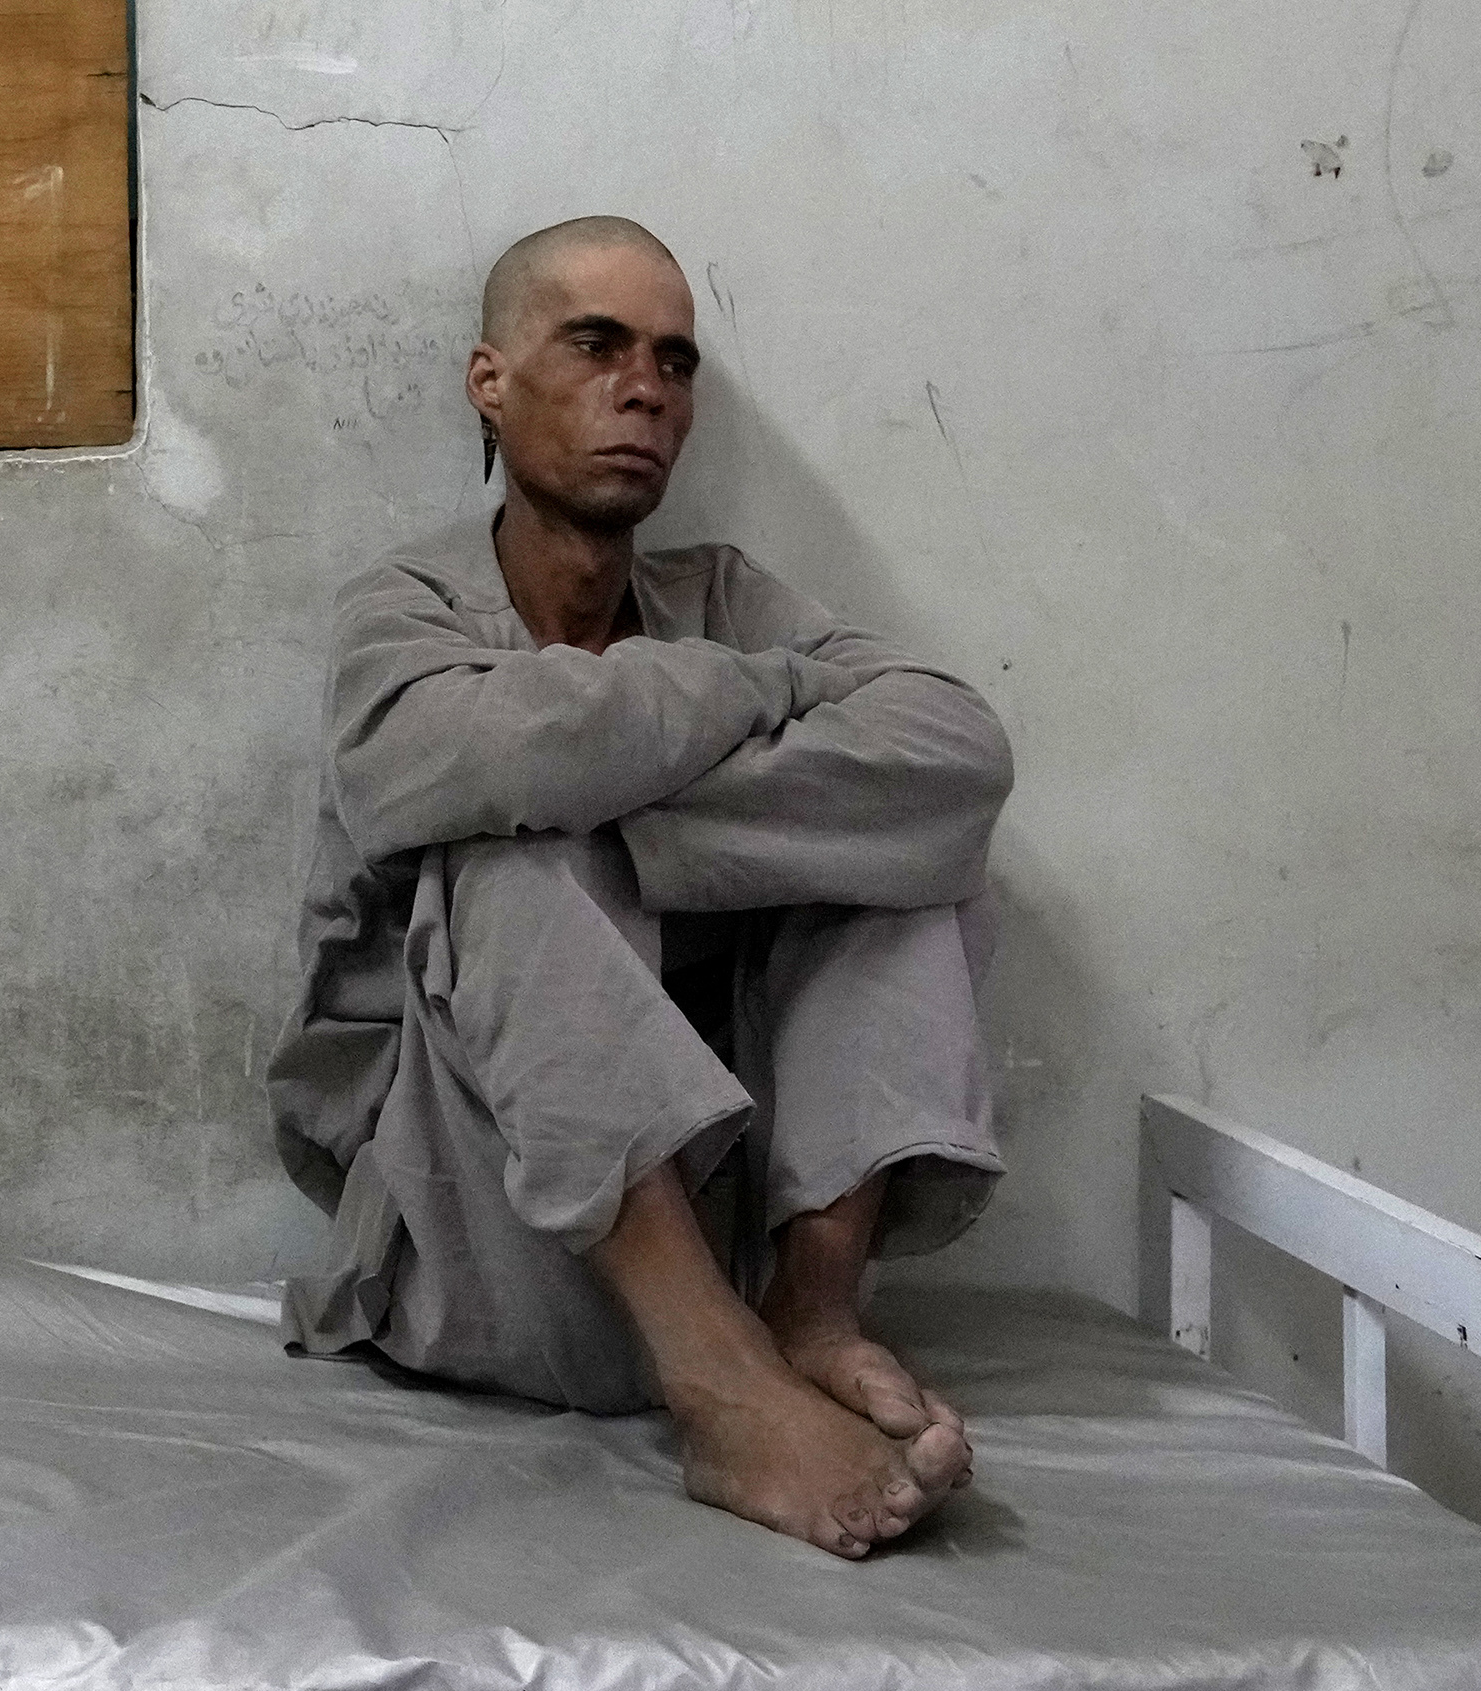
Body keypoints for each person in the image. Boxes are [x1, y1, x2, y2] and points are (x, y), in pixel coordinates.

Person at [266, 216, 1014, 1555]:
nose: (645, 388)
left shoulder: (720, 590)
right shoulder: (407, 610)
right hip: (480, 1237)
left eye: (674, 360)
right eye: (597, 344)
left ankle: (813, 1310)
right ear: (490, 379)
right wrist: (754, 692)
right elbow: (423, 765)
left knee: (904, 856)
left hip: (720, 1231)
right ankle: (723, 1389)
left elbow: (955, 755)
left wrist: (618, 785)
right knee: (502, 852)